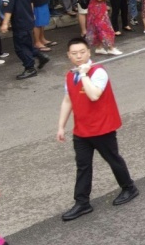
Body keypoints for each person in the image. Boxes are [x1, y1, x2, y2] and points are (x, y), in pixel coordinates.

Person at [57, 38, 138, 221]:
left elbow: (94, 95)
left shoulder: (98, 72)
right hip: (81, 129)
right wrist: (61, 126)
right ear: (69, 56)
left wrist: (85, 75)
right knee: (83, 166)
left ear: (89, 52)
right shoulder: (70, 75)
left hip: (102, 128)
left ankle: (129, 187)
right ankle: (82, 202)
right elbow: (68, 100)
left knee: (113, 159)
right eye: (74, 53)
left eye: (82, 52)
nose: (78, 56)